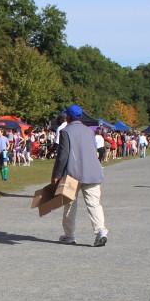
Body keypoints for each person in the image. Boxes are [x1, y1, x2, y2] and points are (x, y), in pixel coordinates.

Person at [52, 105, 108, 247]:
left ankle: (69, 235)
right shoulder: (89, 131)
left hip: (72, 174)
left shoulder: (66, 131)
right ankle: (100, 231)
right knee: (94, 203)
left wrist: (57, 174)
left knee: (69, 205)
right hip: (92, 171)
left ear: (68, 117)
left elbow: (63, 155)